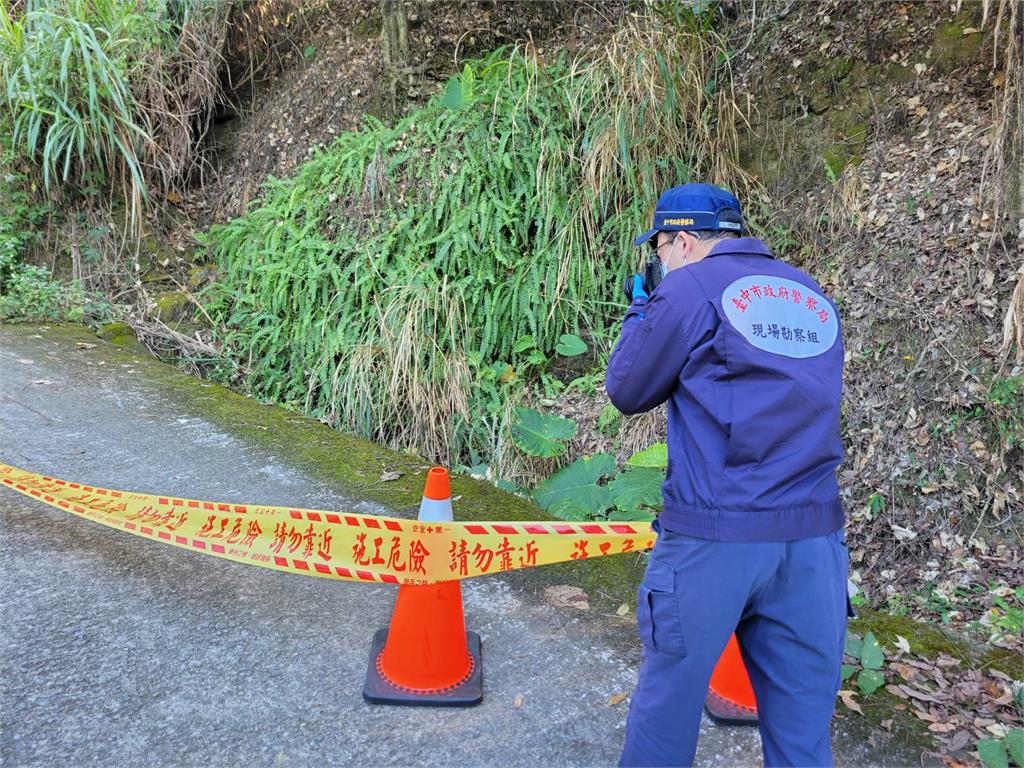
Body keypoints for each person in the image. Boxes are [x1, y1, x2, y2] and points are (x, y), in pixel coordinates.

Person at [606, 183, 852, 767]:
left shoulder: (689, 287)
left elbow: (627, 387)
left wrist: (643, 307)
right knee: (802, 737)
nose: (659, 261)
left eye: (660, 250)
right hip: (814, 544)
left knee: (665, 721)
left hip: (714, 540)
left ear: (684, 241)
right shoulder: (808, 290)